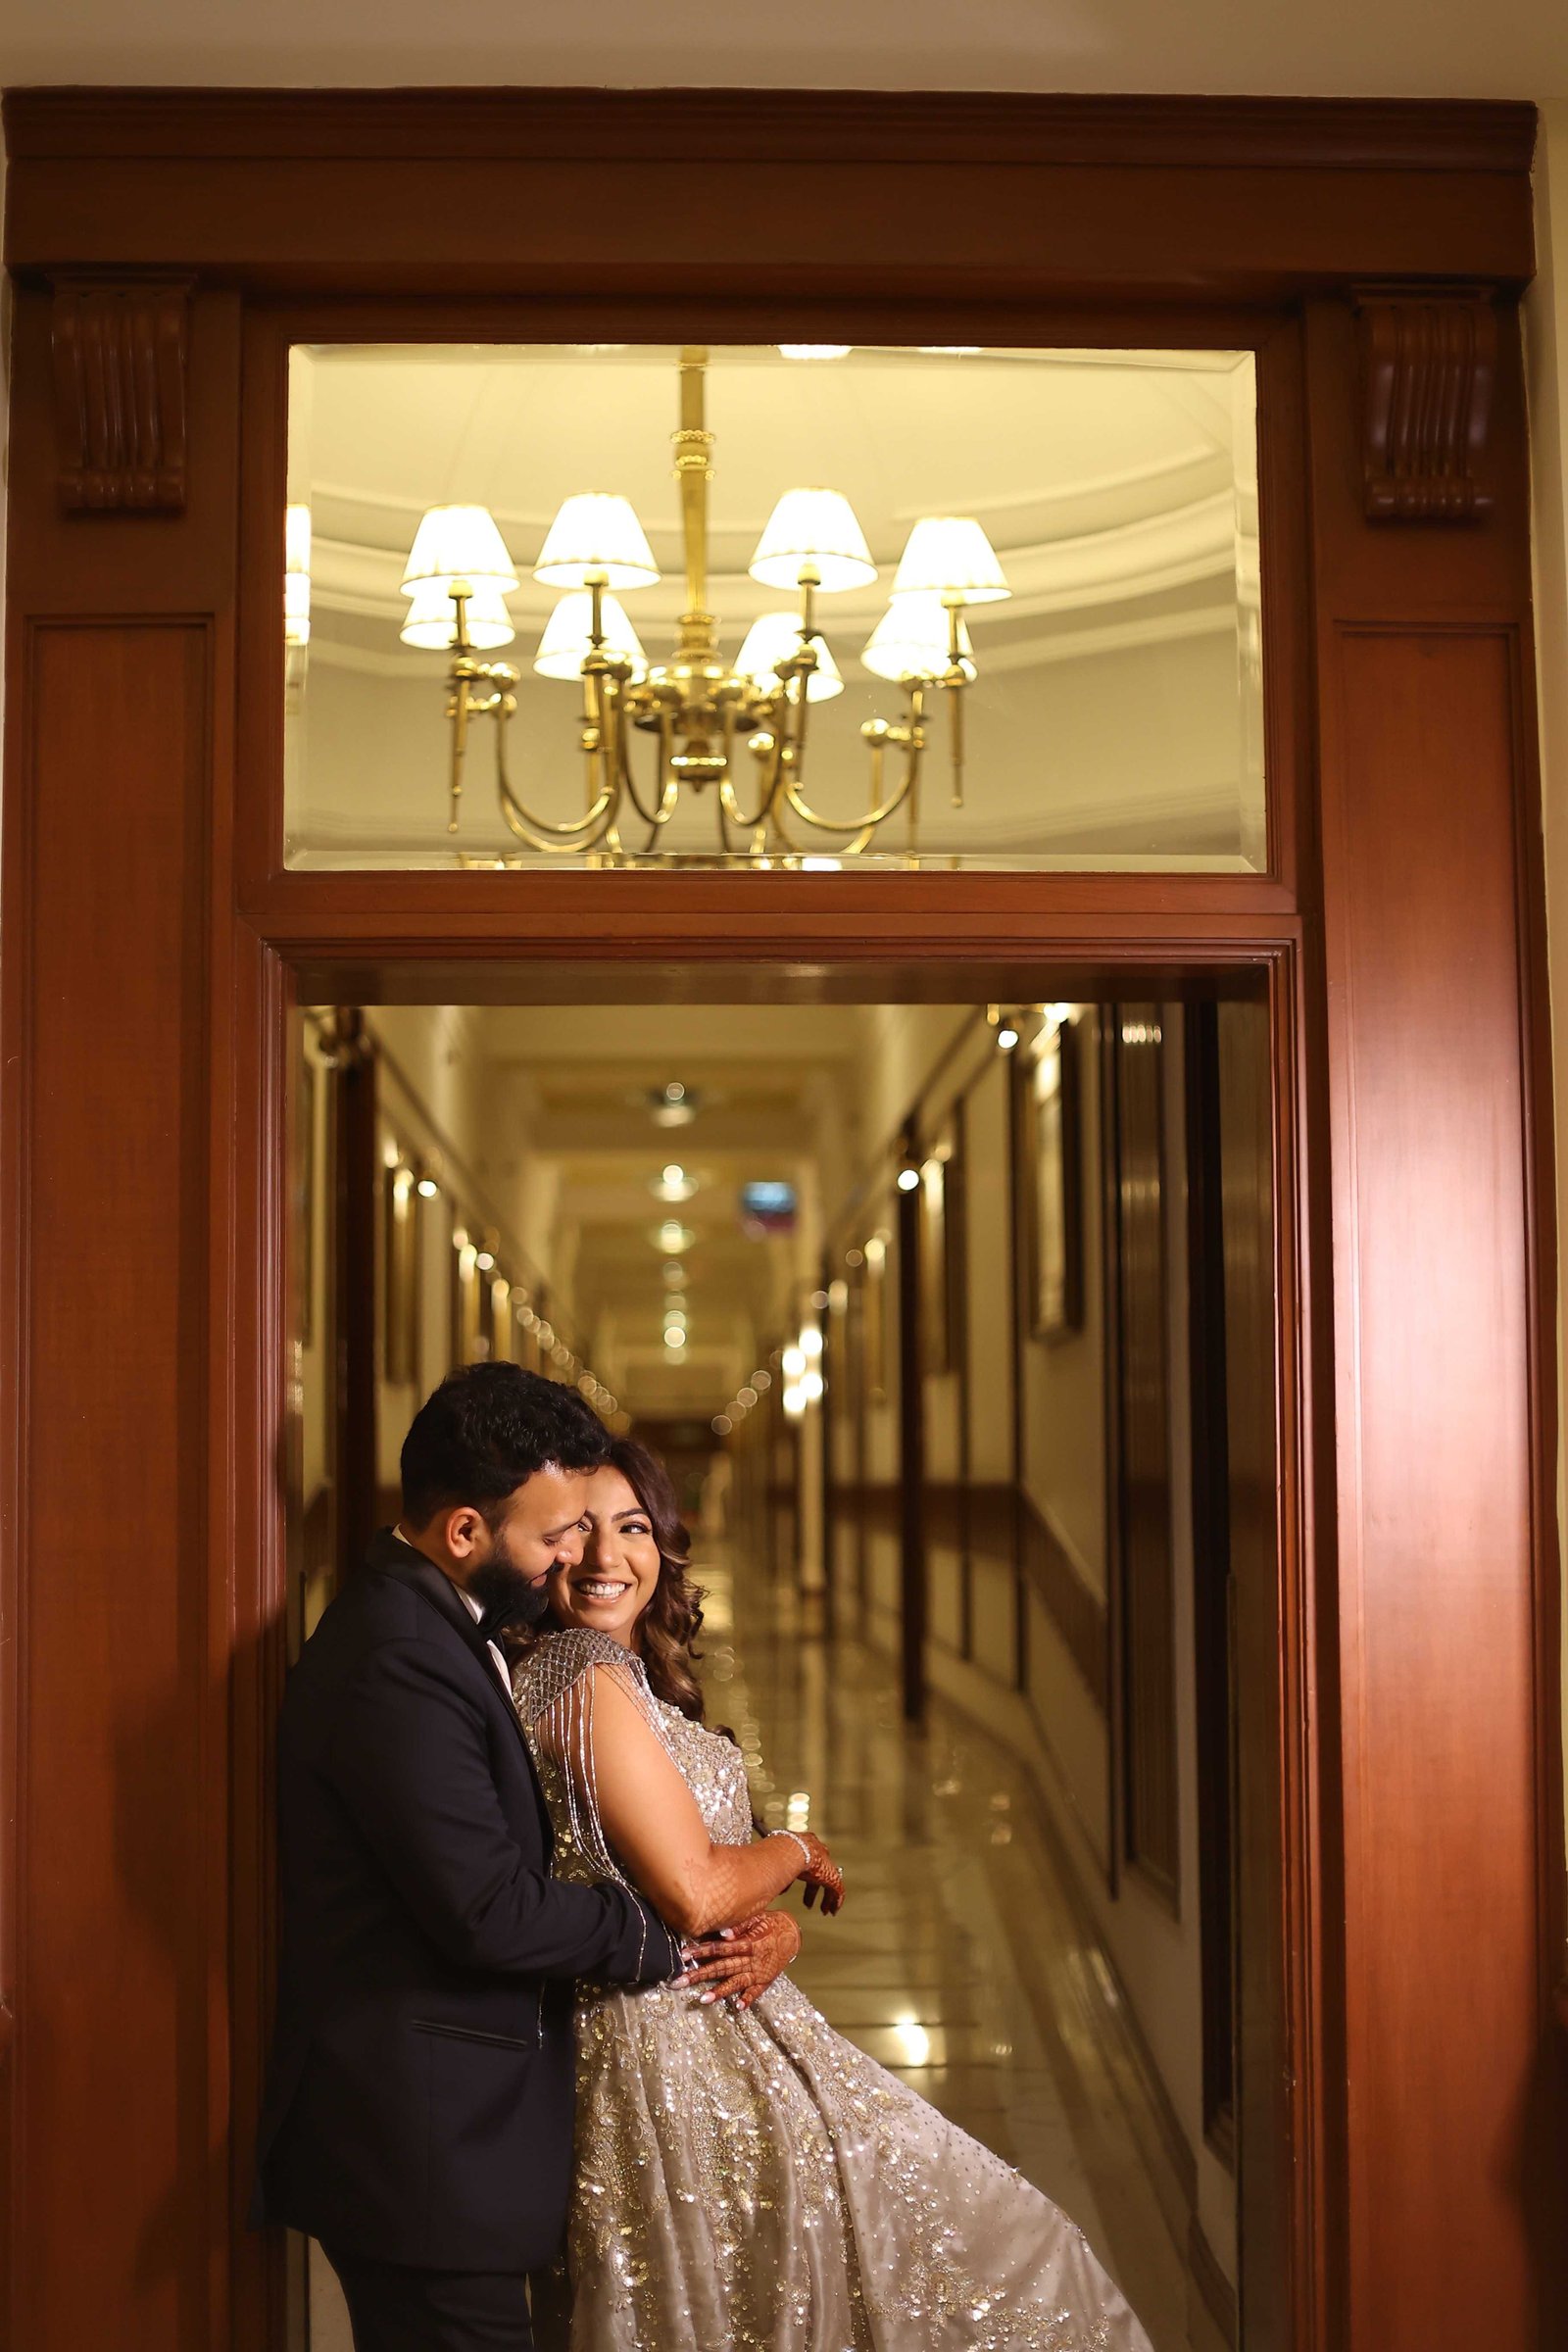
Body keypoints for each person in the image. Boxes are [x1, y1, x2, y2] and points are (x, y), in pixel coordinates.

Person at [513, 1436, 1155, 2352]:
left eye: (634, 1527)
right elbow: (693, 1892)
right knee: (980, 2251)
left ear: (665, 1542)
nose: (607, 1556)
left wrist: (772, 1926)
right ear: (547, 1543)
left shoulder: (626, 1675)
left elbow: (673, 1871)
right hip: (667, 2057)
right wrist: (797, 1849)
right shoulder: (580, 1671)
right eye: (582, 1529)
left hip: (713, 2020)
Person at [251, 1365, 759, 2352]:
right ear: (464, 1533)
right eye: (554, 1532)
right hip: (422, 2149)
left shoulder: (452, 1623)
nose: (574, 1553)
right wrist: (666, 1938)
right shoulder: (398, 1655)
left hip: (459, 2138)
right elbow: (489, 1908)